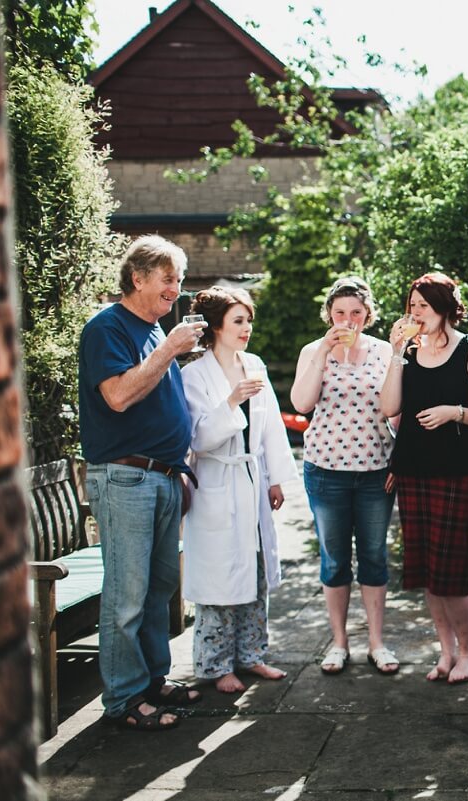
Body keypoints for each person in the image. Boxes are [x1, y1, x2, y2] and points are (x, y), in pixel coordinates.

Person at [78, 235, 206, 730]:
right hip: (126, 478)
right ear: (137, 278)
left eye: (179, 278)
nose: (177, 288)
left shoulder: (154, 331)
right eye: (168, 278)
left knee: (158, 590)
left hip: (162, 477)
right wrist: (171, 349)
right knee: (127, 596)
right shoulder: (108, 327)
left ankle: (153, 680)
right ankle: (124, 702)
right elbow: (117, 396)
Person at [380, 272, 468, 684]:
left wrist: (455, 412)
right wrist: (396, 353)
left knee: (451, 571)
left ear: (446, 308)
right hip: (412, 471)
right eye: (412, 306)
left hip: (456, 472)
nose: (416, 314)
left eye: (424, 307)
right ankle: (445, 653)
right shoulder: (408, 353)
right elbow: (388, 406)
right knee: (428, 570)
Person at [181, 286, 298, 693]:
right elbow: (197, 439)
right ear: (216, 327)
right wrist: (230, 401)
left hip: (253, 480)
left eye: (249, 320)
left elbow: (271, 428)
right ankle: (215, 665)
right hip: (217, 481)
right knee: (220, 578)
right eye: (238, 321)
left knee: (256, 570)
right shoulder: (193, 375)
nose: (247, 328)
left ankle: (251, 656)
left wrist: (277, 477)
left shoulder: (256, 365)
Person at [291, 276, 400, 676]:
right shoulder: (313, 351)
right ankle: (338, 643)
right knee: (334, 560)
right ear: (329, 315)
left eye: (356, 312)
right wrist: (323, 350)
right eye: (340, 313)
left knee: (374, 557)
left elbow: (396, 411)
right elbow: (302, 404)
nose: (348, 320)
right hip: (325, 472)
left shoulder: (385, 351)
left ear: (368, 315)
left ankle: (377, 642)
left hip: (376, 472)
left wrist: (399, 462)